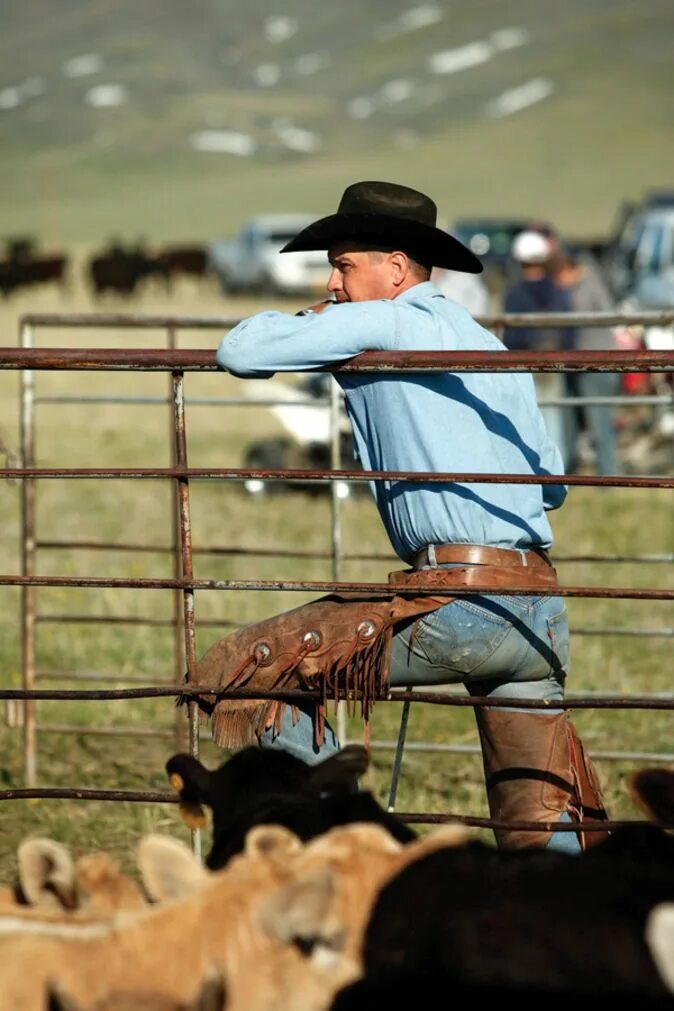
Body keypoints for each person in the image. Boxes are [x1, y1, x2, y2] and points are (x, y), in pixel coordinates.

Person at [199, 181, 608, 854]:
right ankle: (567, 919)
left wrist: (315, 324)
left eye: (342, 265)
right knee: (536, 814)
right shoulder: (488, 344)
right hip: (535, 603)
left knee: (251, 668)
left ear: (395, 267)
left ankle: (358, 843)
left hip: (457, 601)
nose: (331, 282)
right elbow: (553, 482)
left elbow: (240, 349)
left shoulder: (383, 320)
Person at [502, 230, 576, 470]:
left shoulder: (515, 294)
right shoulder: (558, 291)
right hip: (555, 360)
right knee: (555, 416)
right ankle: (558, 471)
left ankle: (536, 469)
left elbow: (511, 333)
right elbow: (568, 328)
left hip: (526, 363)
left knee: (530, 416)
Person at [554, 245, 622, 476]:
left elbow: (607, 317)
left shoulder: (590, 286)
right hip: (576, 362)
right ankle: (568, 473)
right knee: (570, 422)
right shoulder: (577, 287)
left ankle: (609, 477)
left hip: (595, 363)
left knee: (600, 423)